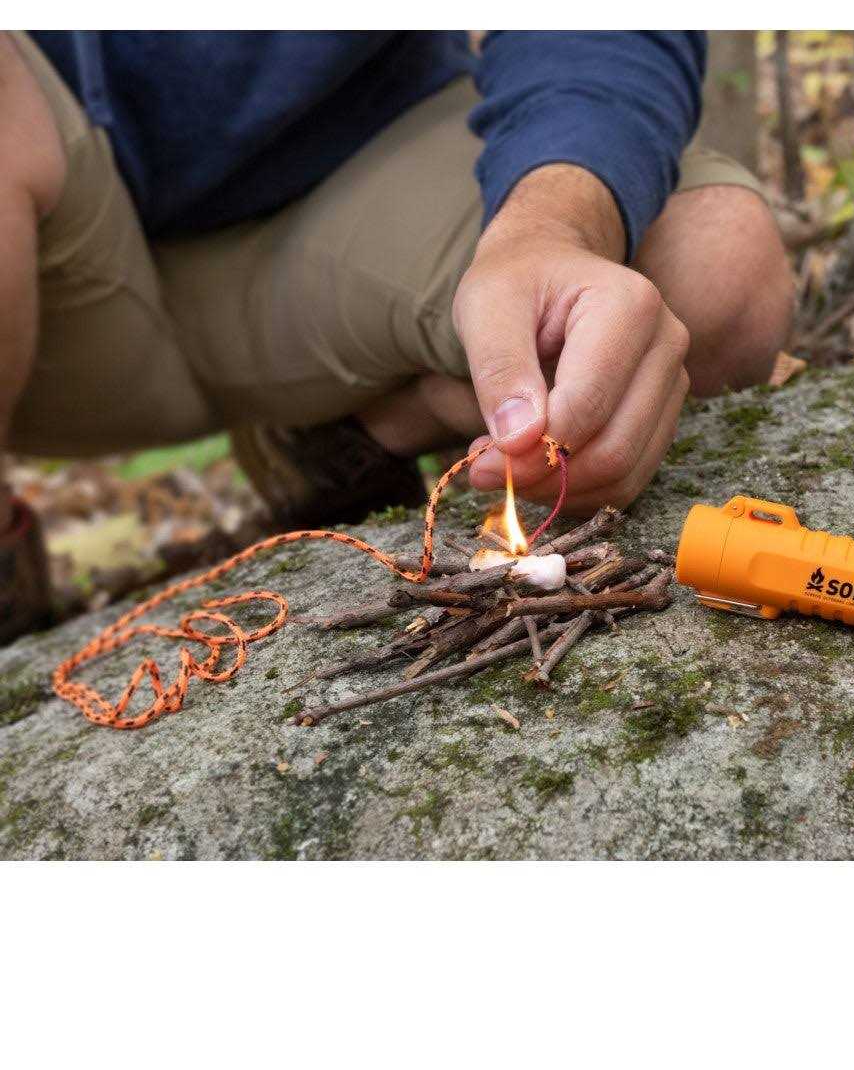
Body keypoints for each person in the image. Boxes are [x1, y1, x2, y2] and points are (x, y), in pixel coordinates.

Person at [0, 31, 793, 643]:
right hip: (47, 248)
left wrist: (553, 226)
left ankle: (350, 432)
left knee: (705, 268)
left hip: (347, 173)